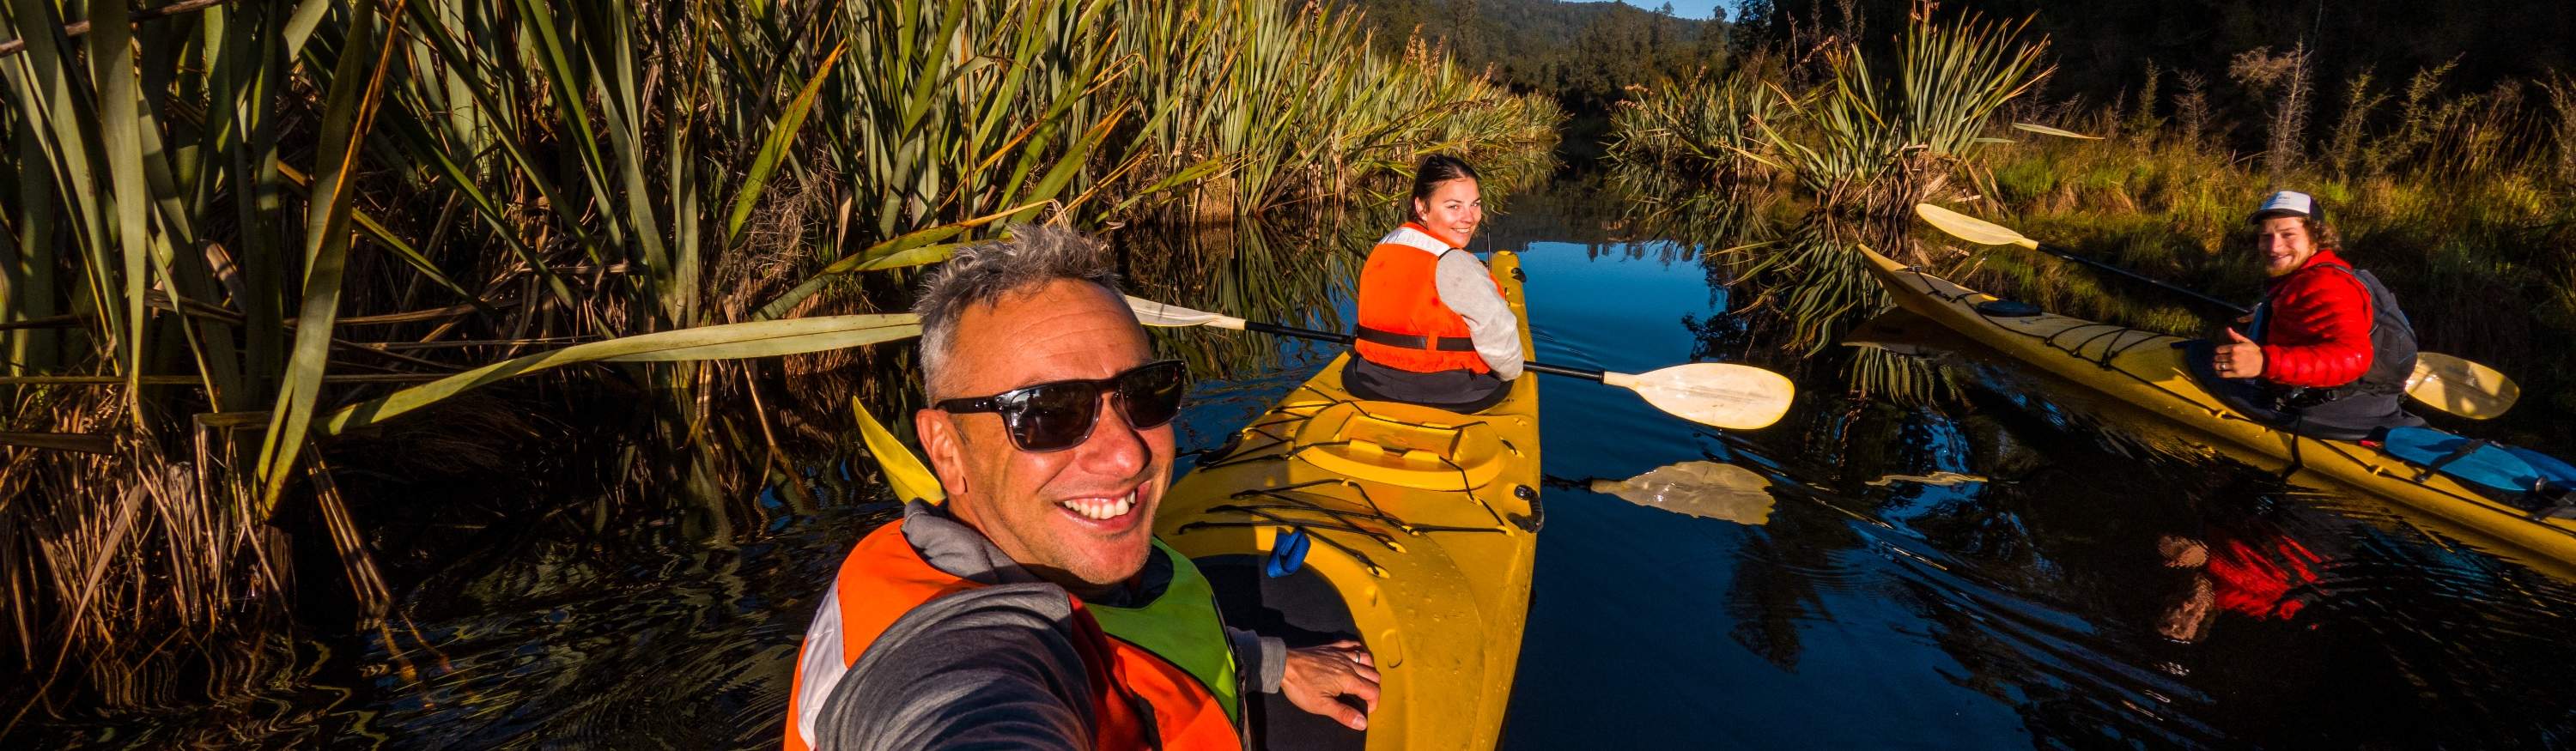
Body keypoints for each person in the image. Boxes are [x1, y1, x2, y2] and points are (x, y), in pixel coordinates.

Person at [785, 226, 1382, 751]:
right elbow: (959, 705)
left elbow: (1143, 642)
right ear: (946, 448)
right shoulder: (951, 652)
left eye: (1145, 393)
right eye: (1049, 412)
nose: (1128, 452)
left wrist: (1269, 663)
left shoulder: (1072, 554)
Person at [2202, 190, 2425, 437]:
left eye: (2288, 235)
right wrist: (2270, 314)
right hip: (2366, 404)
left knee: (2200, 357)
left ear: (2316, 236)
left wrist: (2264, 362)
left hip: (2333, 412)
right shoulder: (2323, 272)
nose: (2274, 247)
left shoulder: (2325, 284)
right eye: (2266, 236)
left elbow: (2353, 357)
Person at [1341, 154, 1525, 412]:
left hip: (1370, 378)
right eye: (1454, 206)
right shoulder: (1457, 264)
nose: (1469, 217)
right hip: (1448, 391)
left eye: (1475, 204)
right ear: (1422, 207)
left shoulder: (1385, 244)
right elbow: (1507, 358)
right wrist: (1512, 372)